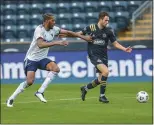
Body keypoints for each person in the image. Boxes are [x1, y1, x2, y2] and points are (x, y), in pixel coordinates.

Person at [6, 13, 92, 107]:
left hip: (42, 58)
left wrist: (83, 37)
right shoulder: (39, 30)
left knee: (56, 69)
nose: (54, 22)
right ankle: (11, 98)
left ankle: (40, 92)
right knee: (30, 81)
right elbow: (40, 44)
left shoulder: (54, 29)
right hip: (32, 59)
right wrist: (57, 42)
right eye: (52, 20)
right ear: (47, 21)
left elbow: (67, 32)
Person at [77, 12, 132, 103]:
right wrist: (67, 34)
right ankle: (102, 96)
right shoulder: (91, 28)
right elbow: (78, 34)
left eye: (108, 20)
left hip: (104, 56)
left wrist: (124, 49)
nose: (107, 22)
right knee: (106, 71)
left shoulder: (109, 31)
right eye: (106, 20)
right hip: (93, 55)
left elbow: (115, 43)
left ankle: (85, 88)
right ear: (100, 19)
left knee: (100, 79)